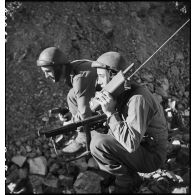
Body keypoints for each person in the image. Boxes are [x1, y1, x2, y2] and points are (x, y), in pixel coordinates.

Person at [90, 51, 168, 193]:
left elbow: (131, 144)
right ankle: (124, 174)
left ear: (113, 76)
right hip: (141, 147)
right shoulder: (120, 92)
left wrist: (110, 112)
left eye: (101, 76)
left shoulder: (138, 98)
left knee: (98, 143)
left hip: (152, 155)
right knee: (96, 134)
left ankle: (128, 182)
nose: (98, 82)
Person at [37, 47, 97, 154]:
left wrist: (71, 122)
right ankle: (81, 132)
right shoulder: (73, 67)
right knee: (71, 95)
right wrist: (71, 114)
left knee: (74, 99)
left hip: (112, 98)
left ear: (59, 67)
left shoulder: (79, 77)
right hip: (100, 95)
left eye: (48, 71)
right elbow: (80, 96)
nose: (46, 76)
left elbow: (84, 114)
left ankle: (83, 139)